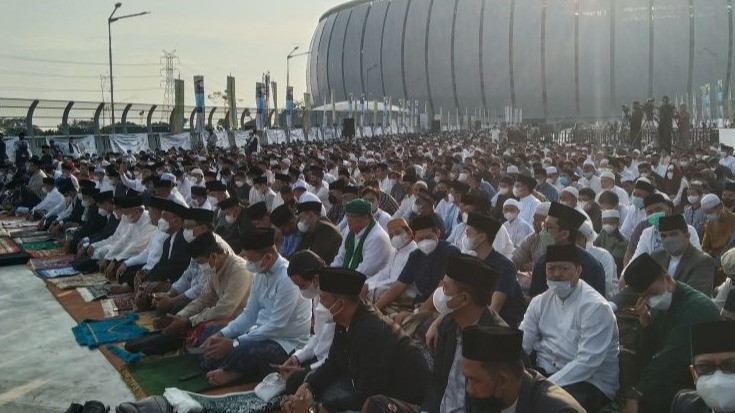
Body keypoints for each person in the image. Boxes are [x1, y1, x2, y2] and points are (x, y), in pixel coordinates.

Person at [369, 253, 508, 413]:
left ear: (463, 299)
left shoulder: (497, 341)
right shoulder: (448, 326)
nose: (440, 290)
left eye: (445, 287)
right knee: (376, 404)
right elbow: (437, 382)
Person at [282, 268, 429, 413]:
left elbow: (368, 396)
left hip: (393, 401)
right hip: (359, 386)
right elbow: (334, 363)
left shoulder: (372, 333)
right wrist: (308, 387)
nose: (320, 304)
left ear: (341, 304)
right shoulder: (344, 321)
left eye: (323, 298)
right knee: (305, 382)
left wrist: (315, 409)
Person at [201, 228, 311, 386]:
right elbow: (249, 314)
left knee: (245, 351)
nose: (249, 263)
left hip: (285, 342)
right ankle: (230, 366)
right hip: (259, 333)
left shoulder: (287, 278)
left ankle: (233, 372)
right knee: (210, 334)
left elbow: (276, 326)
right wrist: (222, 334)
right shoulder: (260, 273)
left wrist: (234, 343)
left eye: (252, 259)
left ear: (267, 257)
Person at [521, 244, 619, 412]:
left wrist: (543, 387)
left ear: (578, 270)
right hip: (547, 373)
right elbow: (522, 344)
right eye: (551, 268)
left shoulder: (595, 307)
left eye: (564, 268)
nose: (557, 274)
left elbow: (586, 364)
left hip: (589, 382)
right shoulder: (539, 302)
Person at [620, 253, 720, 413]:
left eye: (651, 293)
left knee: (652, 398)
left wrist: (636, 393)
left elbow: (670, 360)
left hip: (697, 380)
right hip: (671, 375)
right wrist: (644, 326)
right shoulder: (661, 307)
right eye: (644, 297)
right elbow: (647, 355)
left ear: (667, 278)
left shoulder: (698, 308)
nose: (650, 300)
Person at [457, 326, 585, 413]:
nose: (469, 389)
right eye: (467, 379)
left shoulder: (557, 410)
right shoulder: (483, 396)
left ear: (503, 380)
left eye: (475, 380)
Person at [161, 231, 252, 340]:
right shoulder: (215, 268)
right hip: (223, 317)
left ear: (214, 256)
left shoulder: (240, 270)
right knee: (177, 318)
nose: (201, 267)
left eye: (200, 263)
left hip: (241, 321)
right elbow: (204, 299)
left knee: (205, 332)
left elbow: (225, 309)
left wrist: (189, 321)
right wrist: (180, 316)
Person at [374, 215, 460, 318]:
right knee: (379, 297)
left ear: (437, 233)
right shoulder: (415, 256)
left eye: (428, 237)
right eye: (421, 239)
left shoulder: (450, 252)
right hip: (420, 301)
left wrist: (416, 314)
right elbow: (399, 286)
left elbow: (442, 290)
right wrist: (374, 309)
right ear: (413, 237)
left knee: (401, 321)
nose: (425, 242)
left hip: (441, 306)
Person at [279, 251, 335, 394]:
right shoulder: (317, 295)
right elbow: (318, 337)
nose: (301, 290)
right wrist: (298, 357)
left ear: (316, 278)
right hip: (321, 358)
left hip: (334, 363)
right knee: (287, 369)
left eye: (302, 285)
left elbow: (334, 355)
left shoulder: (333, 301)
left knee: (295, 381)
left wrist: (306, 370)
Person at [462, 212, 526, 327]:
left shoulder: (505, 266)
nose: (465, 238)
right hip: (477, 319)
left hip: (502, 325)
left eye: (468, 234)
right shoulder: (474, 262)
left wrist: (473, 330)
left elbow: (495, 307)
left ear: (481, 237)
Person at [529, 202, 606, 298]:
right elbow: (536, 301)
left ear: (564, 234)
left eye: (548, 227)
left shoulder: (591, 266)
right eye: (543, 226)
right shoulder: (541, 263)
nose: (542, 231)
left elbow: (596, 305)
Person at [669, 320, 735, 413]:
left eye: (731, 365)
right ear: (693, 374)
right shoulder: (686, 406)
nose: (718, 381)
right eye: (704, 367)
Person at [650, 214, 715, 296]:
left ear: (687, 236)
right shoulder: (656, 256)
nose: (668, 239)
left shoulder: (703, 261)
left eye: (673, 234)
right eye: (663, 236)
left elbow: (693, 297)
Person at [330, 198, 391, 278]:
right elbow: (341, 257)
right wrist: (330, 273)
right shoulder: (350, 229)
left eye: (353, 217)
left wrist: (340, 279)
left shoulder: (377, 238)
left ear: (366, 217)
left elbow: (364, 271)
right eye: (347, 215)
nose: (348, 220)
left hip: (368, 283)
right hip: (349, 278)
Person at [366, 218, 418, 302]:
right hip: (390, 288)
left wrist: (371, 286)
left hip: (407, 293)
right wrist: (367, 283)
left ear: (408, 233)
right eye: (391, 236)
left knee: (374, 291)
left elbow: (398, 281)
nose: (394, 237)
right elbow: (384, 273)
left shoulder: (414, 251)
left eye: (397, 233)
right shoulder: (396, 251)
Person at [295, 200, 342, 264]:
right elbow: (297, 252)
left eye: (300, 218)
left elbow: (314, 257)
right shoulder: (310, 230)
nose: (298, 221)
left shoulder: (325, 229)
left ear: (310, 215)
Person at [512, 201, 550, 273]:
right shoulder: (532, 238)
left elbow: (553, 265)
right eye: (534, 219)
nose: (533, 223)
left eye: (537, 220)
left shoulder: (556, 242)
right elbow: (517, 257)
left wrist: (534, 266)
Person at [702, 193, 735, 262]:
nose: (708, 216)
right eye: (706, 213)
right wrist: (714, 255)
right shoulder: (709, 224)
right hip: (714, 259)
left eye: (710, 212)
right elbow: (704, 247)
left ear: (720, 208)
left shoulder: (733, 219)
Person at [594, 209, 627, 277]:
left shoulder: (622, 240)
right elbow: (593, 247)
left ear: (617, 223)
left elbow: (615, 259)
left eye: (610, 223)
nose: (607, 225)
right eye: (605, 223)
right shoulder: (602, 235)